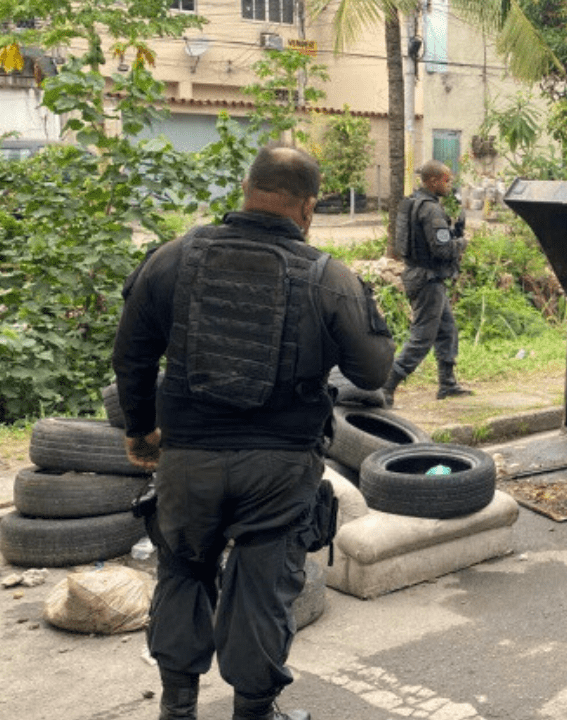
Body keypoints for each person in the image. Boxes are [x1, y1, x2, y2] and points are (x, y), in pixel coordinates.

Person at [112, 144, 395, 720]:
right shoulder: (328, 277)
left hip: (188, 459)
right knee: (265, 586)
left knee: (183, 573)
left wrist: (141, 432)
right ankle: (254, 712)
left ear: (246, 189)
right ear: (309, 208)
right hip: (279, 466)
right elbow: (373, 371)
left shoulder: (172, 258)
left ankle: (178, 708)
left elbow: (131, 358)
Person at [381, 159, 473, 405]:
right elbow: (442, 250)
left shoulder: (412, 202)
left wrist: (455, 229)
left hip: (422, 276)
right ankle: (387, 385)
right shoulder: (431, 209)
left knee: (447, 330)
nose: (449, 184)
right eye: (446, 180)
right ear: (433, 181)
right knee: (422, 337)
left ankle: (447, 384)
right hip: (427, 280)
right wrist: (462, 242)